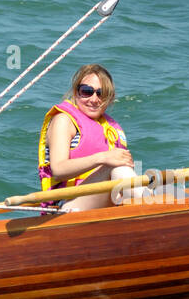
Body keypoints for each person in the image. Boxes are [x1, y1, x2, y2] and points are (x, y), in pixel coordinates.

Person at [38, 64, 136, 211]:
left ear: (110, 98)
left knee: (123, 169)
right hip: (67, 205)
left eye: (101, 94)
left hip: (104, 201)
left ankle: (150, 206)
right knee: (114, 165)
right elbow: (58, 169)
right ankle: (151, 207)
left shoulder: (110, 128)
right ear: (76, 92)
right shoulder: (64, 121)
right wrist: (102, 158)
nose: (94, 99)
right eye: (87, 91)